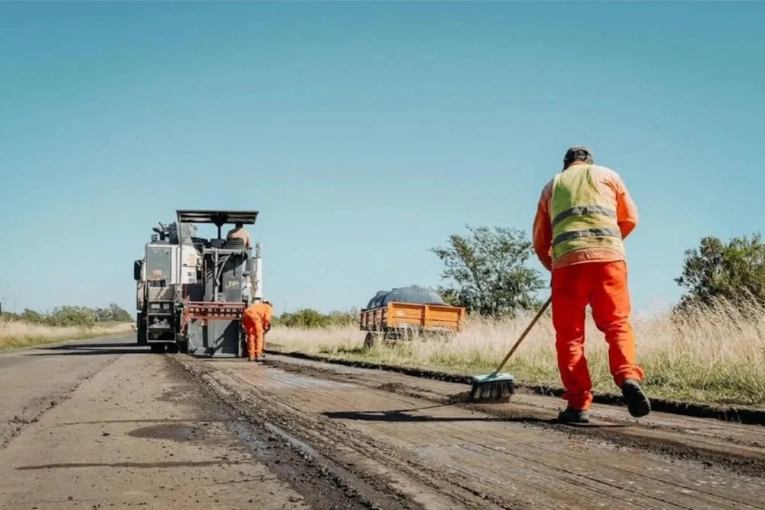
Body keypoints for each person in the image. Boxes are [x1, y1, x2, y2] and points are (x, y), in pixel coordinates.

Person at [531, 146, 651, 423]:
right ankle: (627, 376)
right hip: (610, 261)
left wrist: (555, 266)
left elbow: (540, 239)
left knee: (570, 336)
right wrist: (608, 245)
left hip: (567, 266)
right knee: (617, 324)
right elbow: (630, 218)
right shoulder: (609, 176)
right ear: (589, 163)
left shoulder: (552, 186)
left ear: (566, 165)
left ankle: (578, 405)